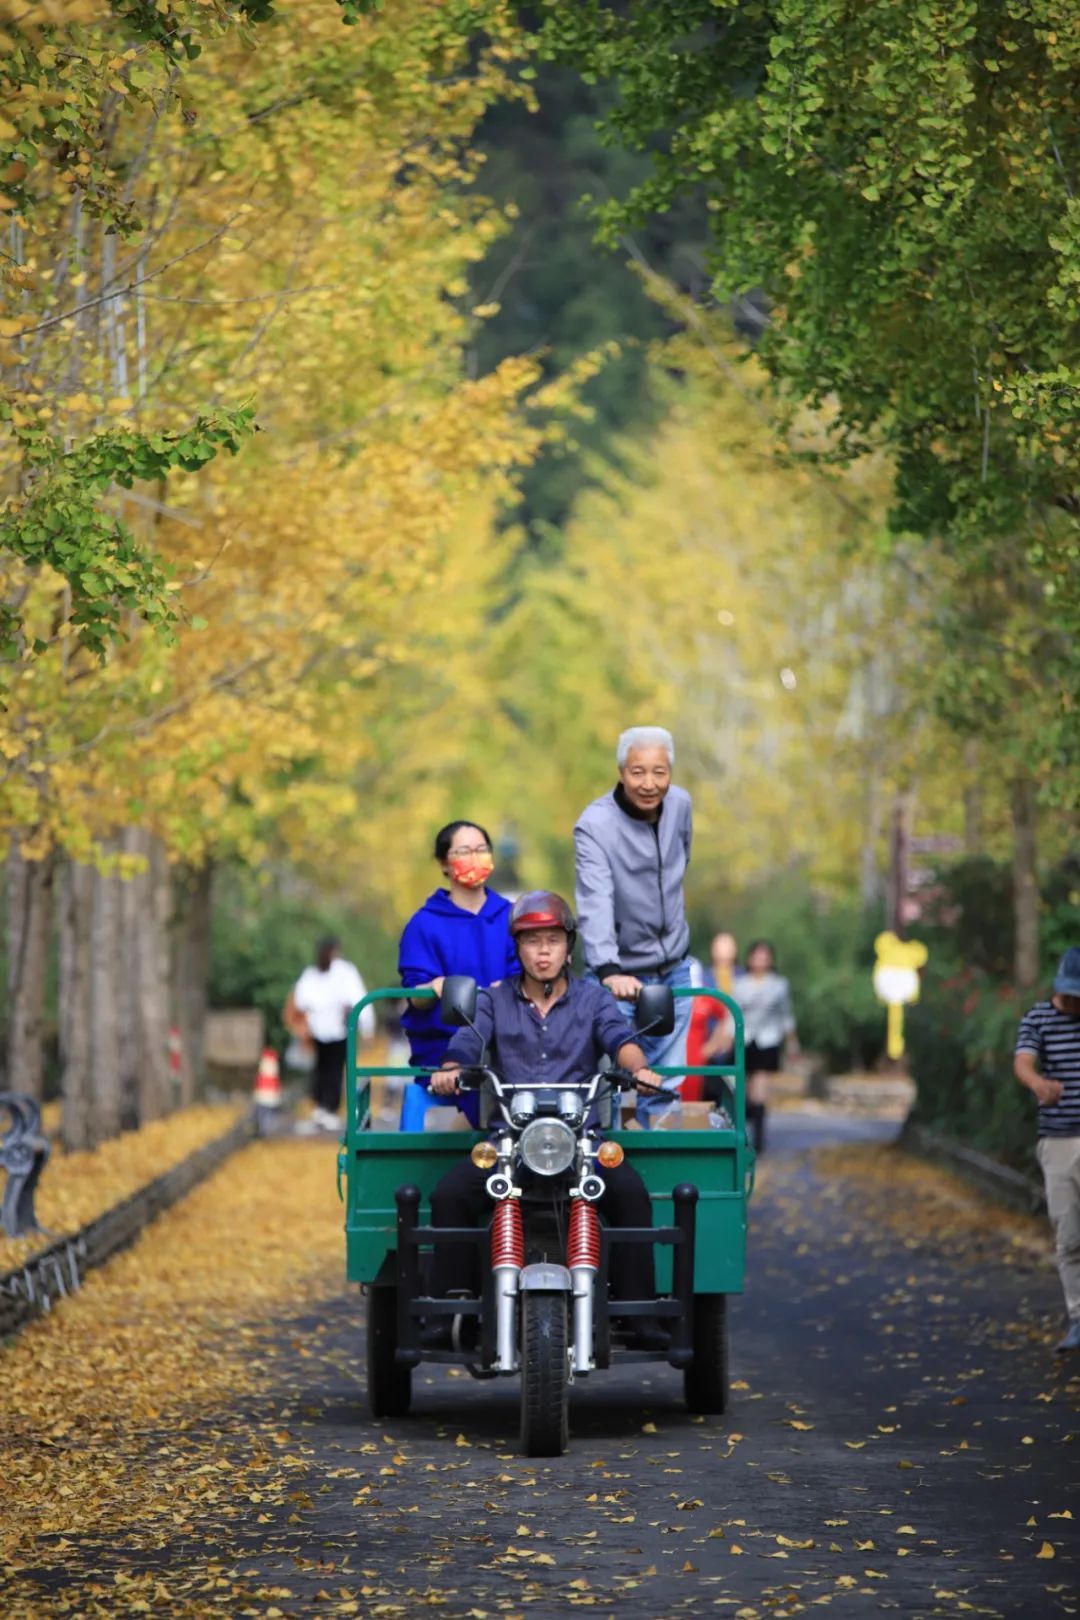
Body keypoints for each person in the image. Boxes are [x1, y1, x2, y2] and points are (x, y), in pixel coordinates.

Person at [427, 890, 667, 1349]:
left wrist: (637, 1069)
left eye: (552, 940)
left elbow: (620, 1039)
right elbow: (467, 1038)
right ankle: (451, 1309)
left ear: (568, 947)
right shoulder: (493, 999)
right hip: (508, 1142)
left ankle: (639, 1313)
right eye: (532, 940)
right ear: (517, 948)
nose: (542, 951)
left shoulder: (594, 1000)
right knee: (450, 1194)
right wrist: (452, 1069)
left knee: (631, 1194)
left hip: (581, 1141)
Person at [574, 725, 693, 1125]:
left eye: (659, 772)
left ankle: (659, 1180)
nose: (649, 783)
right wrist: (609, 969)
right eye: (638, 772)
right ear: (622, 771)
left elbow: (680, 862)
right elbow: (595, 899)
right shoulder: (595, 825)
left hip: (673, 969)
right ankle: (601, 1177)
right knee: (606, 1087)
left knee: (664, 1086)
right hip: (619, 973)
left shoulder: (680, 806)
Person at [397, 820, 518, 1128]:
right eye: (464, 851)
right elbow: (416, 997)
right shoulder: (424, 924)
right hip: (444, 1046)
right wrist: (433, 987)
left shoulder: (513, 916)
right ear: (443, 863)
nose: (475, 858)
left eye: (481, 850)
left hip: (510, 1042)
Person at [1014, 947, 1080, 1353]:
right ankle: (1078, 1318)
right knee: (1069, 1236)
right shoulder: (1038, 1017)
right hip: (1057, 1140)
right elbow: (1023, 1062)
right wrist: (1038, 1084)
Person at [285, 936, 375, 1132]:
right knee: (332, 1069)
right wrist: (367, 1025)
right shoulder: (344, 971)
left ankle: (322, 1107)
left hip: (322, 1029)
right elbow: (358, 997)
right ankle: (328, 1108)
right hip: (335, 1029)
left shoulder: (314, 973)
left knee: (323, 1068)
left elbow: (301, 999)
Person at [732, 939, 798, 1156]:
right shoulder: (739, 984)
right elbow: (731, 1015)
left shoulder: (779, 985)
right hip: (745, 1039)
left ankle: (759, 1137)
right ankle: (747, 1125)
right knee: (745, 1089)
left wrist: (792, 1043)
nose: (761, 961)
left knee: (760, 1087)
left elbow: (786, 1015)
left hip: (768, 1040)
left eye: (765, 957)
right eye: (757, 956)